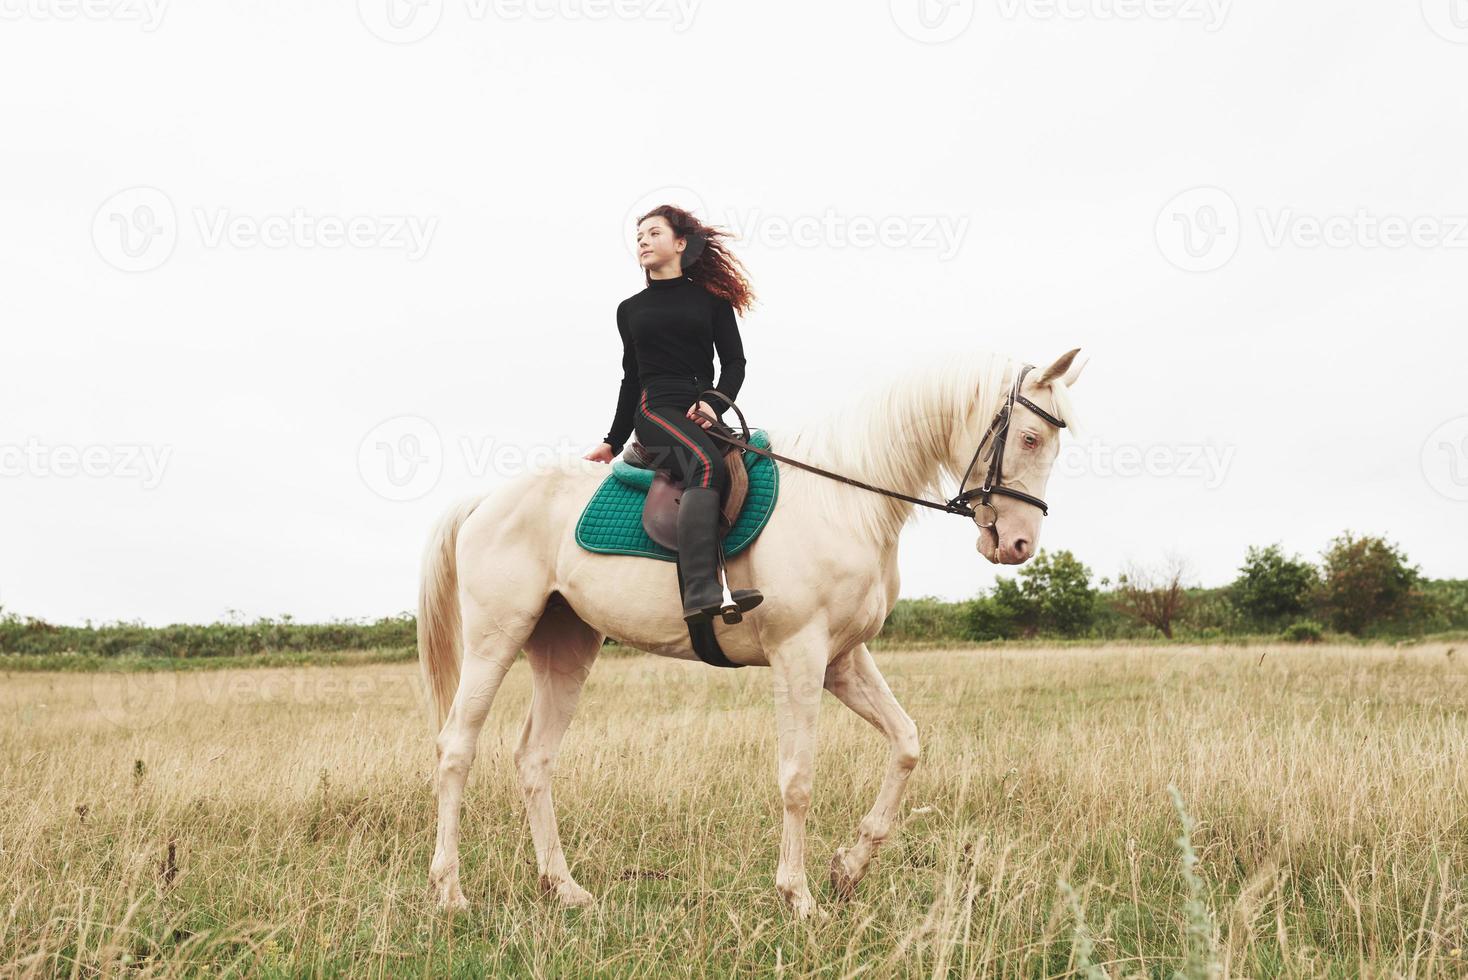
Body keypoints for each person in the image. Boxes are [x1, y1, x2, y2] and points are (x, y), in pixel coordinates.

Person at [582, 205, 764, 625]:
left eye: (653, 233)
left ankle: (743, 574)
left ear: (680, 243)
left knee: (752, 462)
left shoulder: (713, 302)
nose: (642, 241)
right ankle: (700, 590)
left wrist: (713, 404)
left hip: (701, 408)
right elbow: (631, 378)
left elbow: (734, 364)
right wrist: (613, 439)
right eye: (639, 236)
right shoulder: (630, 309)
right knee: (704, 464)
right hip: (656, 407)